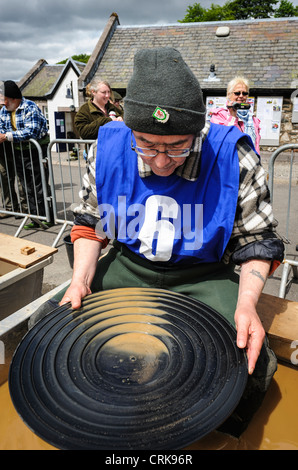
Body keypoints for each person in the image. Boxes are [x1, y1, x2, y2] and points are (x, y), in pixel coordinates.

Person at [41, 48, 283, 436]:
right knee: (49, 325)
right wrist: (80, 280)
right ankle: (101, 424)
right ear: (130, 129)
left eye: (176, 145)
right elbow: (90, 223)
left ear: (197, 131)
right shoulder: (108, 147)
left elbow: (257, 241)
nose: (161, 161)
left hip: (203, 274)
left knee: (251, 364)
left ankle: (212, 439)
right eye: (147, 144)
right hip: (128, 264)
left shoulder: (232, 154)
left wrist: (247, 305)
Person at [0, 80, 51, 229]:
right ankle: (35, 218)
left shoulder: (30, 107)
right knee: (26, 185)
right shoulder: (4, 111)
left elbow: (31, 132)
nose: (3, 103)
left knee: (38, 184)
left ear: (12, 98)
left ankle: (47, 216)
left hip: (36, 150)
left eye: (4, 99)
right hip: (19, 151)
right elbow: (2, 128)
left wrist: (6, 136)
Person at [210, 76, 261, 154]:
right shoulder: (219, 115)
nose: (241, 96)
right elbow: (221, 139)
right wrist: (232, 116)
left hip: (250, 161)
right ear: (229, 94)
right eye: (237, 93)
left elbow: (256, 145)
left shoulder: (252, 118)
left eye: (244, 93)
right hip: (229, 159)